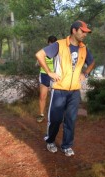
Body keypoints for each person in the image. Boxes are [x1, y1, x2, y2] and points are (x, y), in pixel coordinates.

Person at [35, 20, 95, 156]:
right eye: (83, 31)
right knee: (55, 120)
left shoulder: (84, 48)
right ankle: (50, 141)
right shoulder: (59, 45)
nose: (85, 34)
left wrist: (85, 73)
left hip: (74, 91)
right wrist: (49, 72)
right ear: (74, 31)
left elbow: (92, 62)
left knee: (70, 120)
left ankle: (66, 145)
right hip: (59, 89)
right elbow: (39, 55)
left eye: (86, 32)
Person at [36, 36, 57, 123]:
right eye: (50, 43)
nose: (51, 44)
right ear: (48, 42)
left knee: (56, 97)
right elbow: (37, 64)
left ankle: (55, 115)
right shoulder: (43, 51)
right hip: (44, 74)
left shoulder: (58, 52)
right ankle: (41, 114)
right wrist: (41, 63)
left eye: (53, 43)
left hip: (55, 75)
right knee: (43, 96)